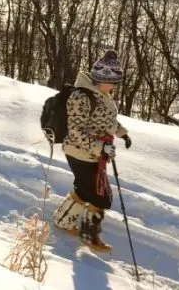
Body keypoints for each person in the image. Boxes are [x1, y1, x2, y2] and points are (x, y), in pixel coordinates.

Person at [52, 49, 132, 252]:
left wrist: (122, 133)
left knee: (84, 189)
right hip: (79, 152)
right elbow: (75, 132)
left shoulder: (103, 95)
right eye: (112, 82)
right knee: (100, 197)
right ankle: (89, 235)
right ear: (100, 79)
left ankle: (63, 221)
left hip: (95, 153)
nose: (114, 86)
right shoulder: (81, 97)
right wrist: (101, 147)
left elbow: (107, 120)